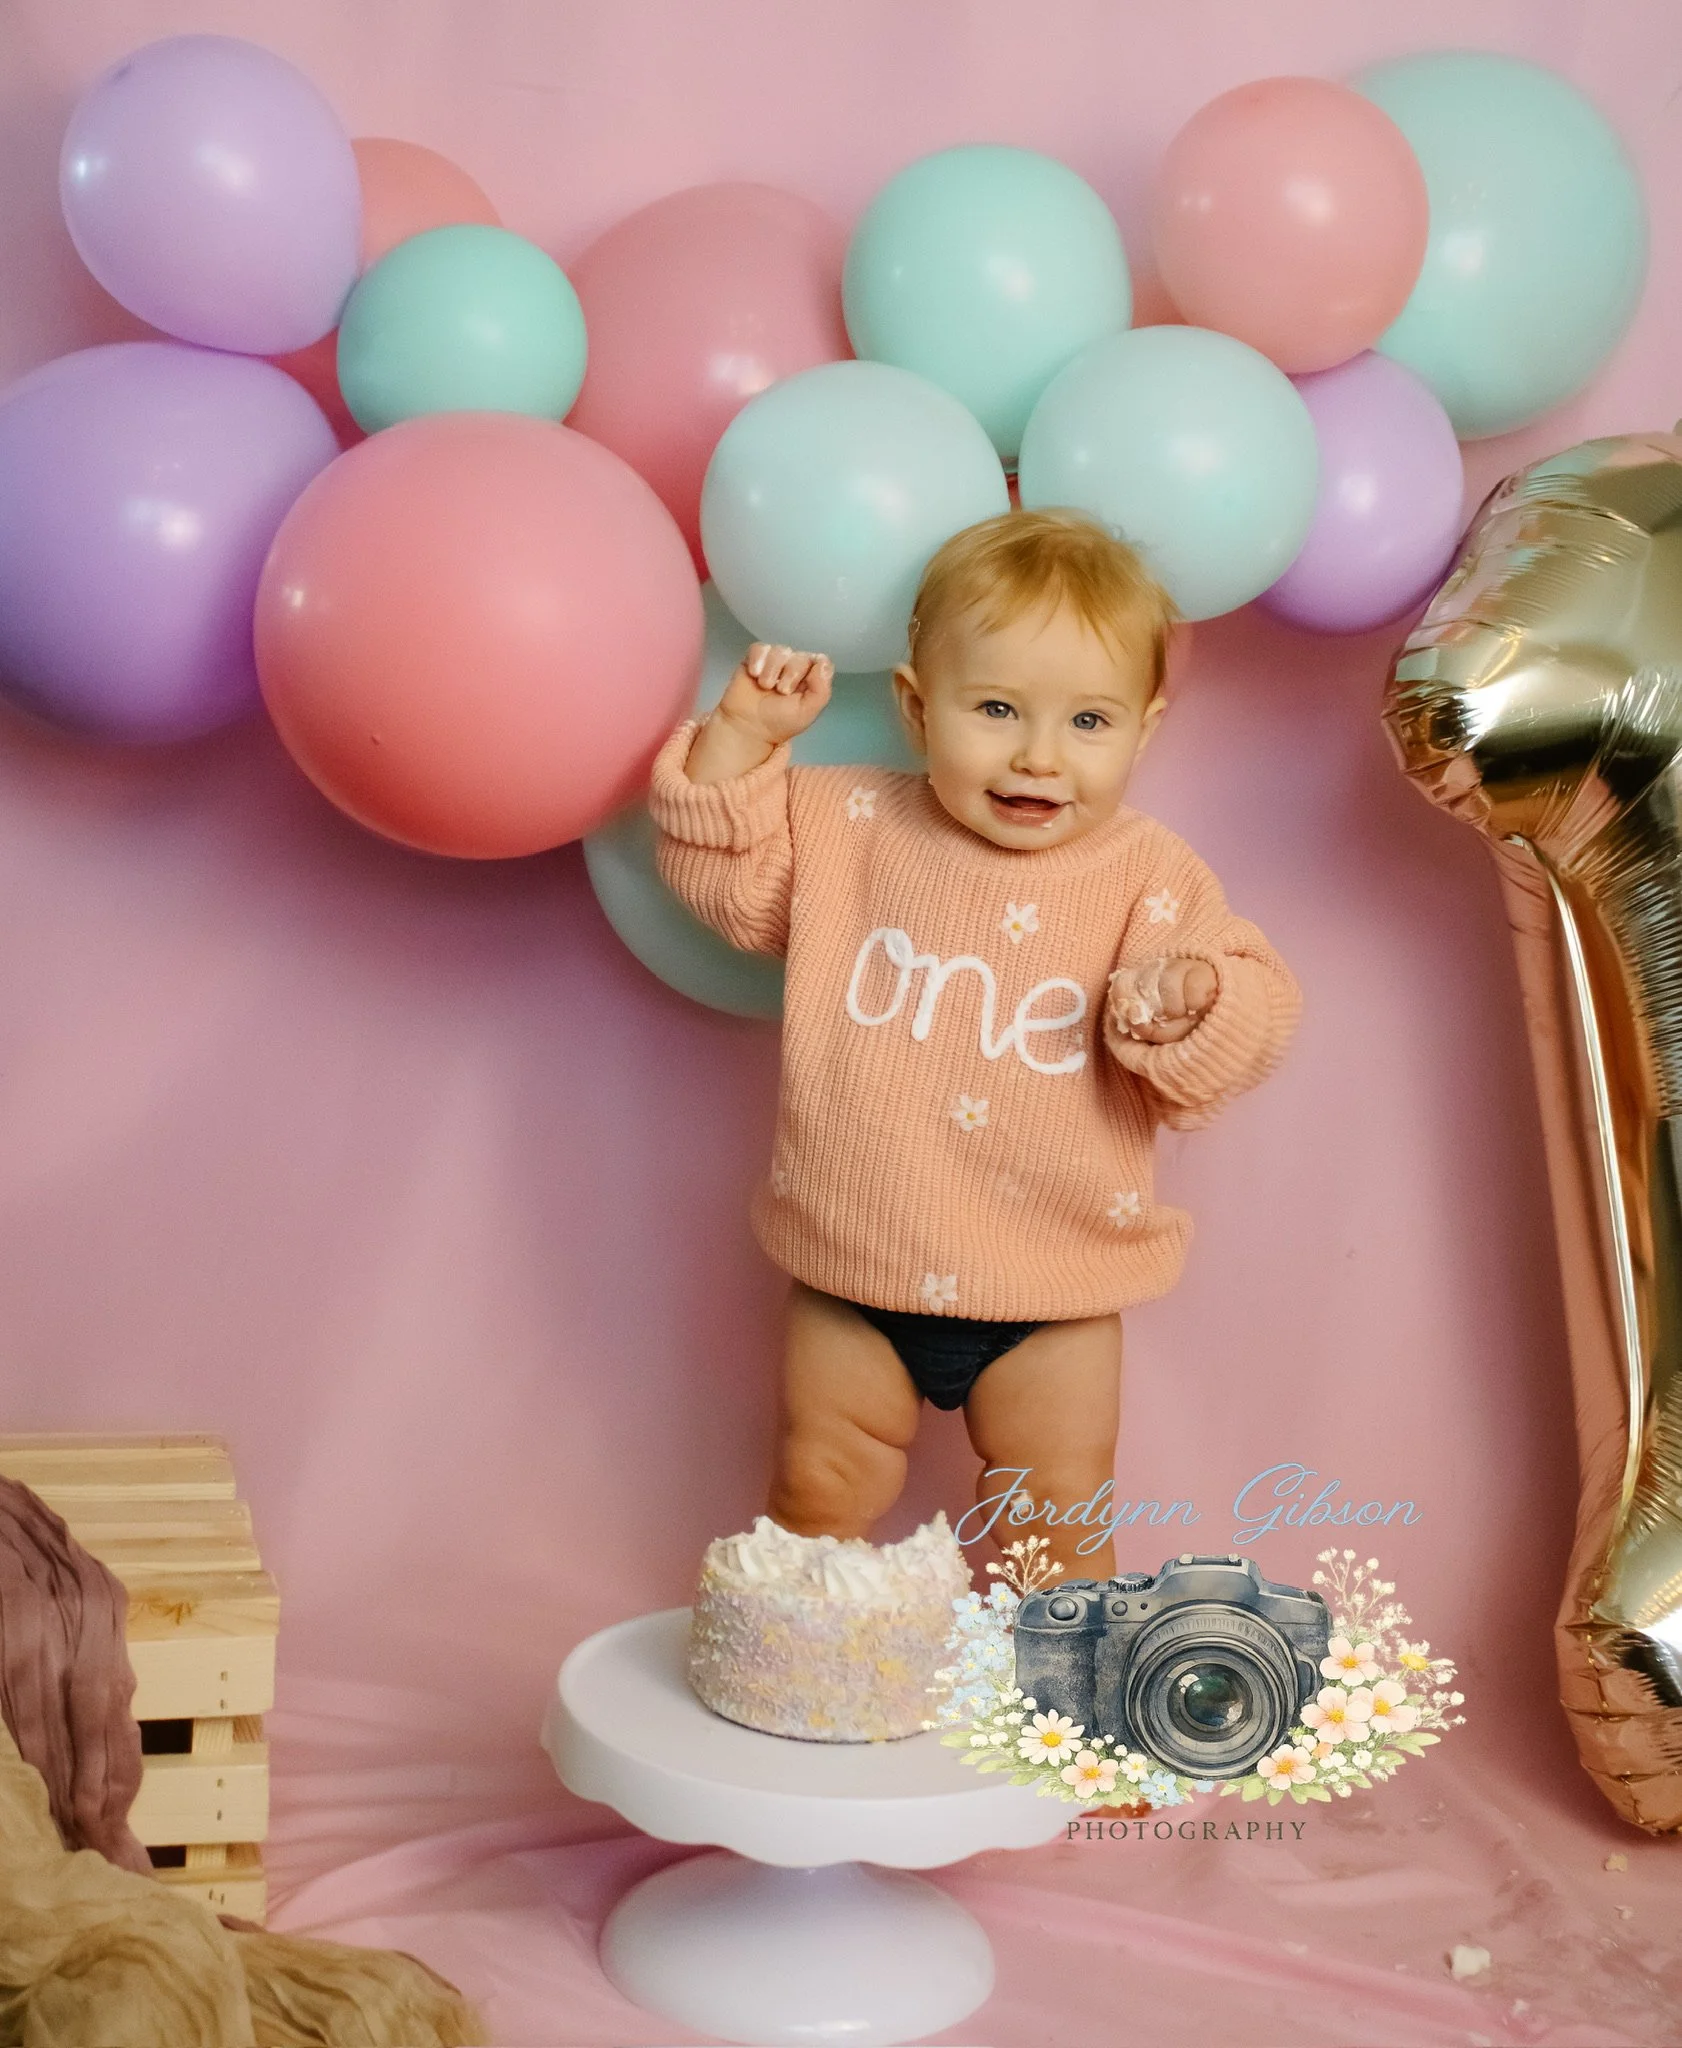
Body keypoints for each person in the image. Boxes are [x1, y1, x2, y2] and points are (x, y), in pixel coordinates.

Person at [647, 507, 1300, 1582]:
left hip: (1053, 1283)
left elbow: (1254, 1019)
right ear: (913, 706)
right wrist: (745, 739)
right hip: (857, 1259)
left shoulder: (1151, 876)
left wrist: (1198, 1001)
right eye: (995, 708)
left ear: (1144, 726)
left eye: (1088, 722)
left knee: (1055, 1522)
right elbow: (726, 881)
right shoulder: (847, 825)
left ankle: (1059, 1725)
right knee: (817, 1482)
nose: (1038, 756)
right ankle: (803, 1690)